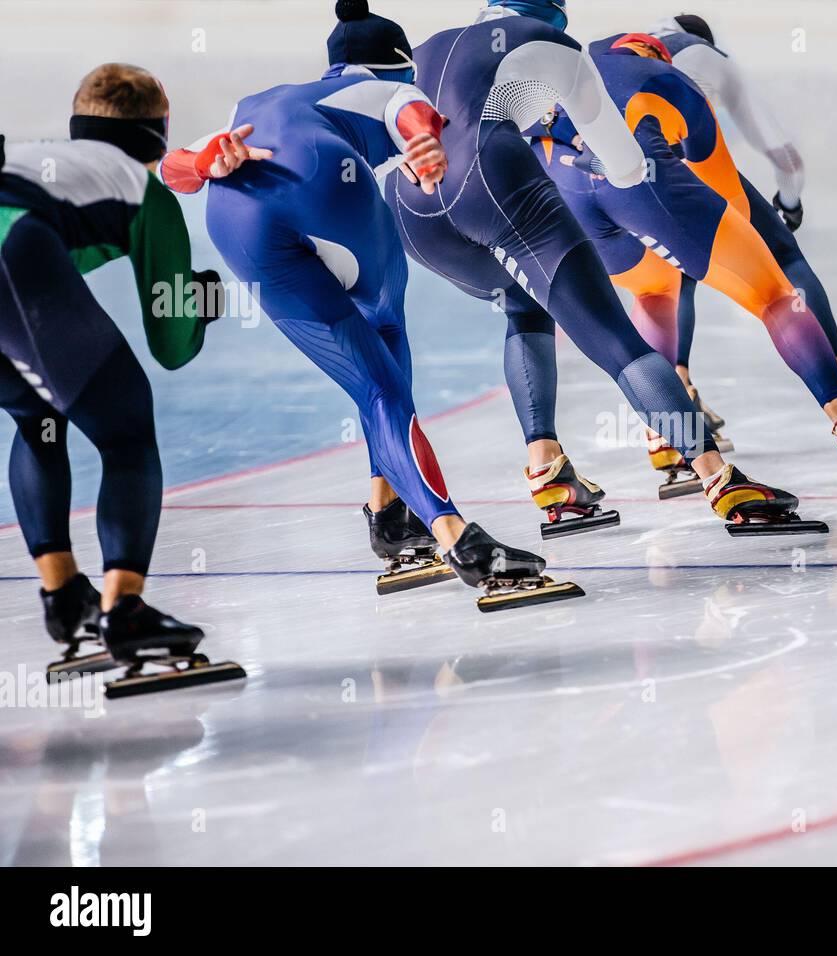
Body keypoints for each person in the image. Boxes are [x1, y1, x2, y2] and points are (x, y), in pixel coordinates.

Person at [164, 0, 587, 606]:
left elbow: (174, 169)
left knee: (368, 382)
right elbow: (412, 113)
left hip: (235, 215)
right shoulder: (383, 88)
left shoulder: (257, 102)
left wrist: (208, 161)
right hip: (325, 186)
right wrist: (426, 147)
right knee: (386, 350)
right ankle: (456, 537)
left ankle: (389, 517)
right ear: (398, 63)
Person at [385, 1, 827, 536]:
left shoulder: (428, 46)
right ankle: (720, 479)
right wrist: (609, 164)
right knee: (621, 343)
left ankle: (548, 469)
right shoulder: (557, 46)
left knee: (524, 306)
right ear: (555, 17)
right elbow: (624, 167)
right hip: (488, 180)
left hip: (410, 208)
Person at [527, 33, 837, 488]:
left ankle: (668, 437)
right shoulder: (672, 79)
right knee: (773, 293)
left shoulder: (574, 68)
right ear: (654, 51)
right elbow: (728, 199)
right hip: (639, 179)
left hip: (563, 190)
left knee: (654, 293)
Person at [0, 62, 245, 694]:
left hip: (18, 248)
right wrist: (200, 306)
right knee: (127, 431)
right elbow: (171, 346)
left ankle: (63, 596)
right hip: (17, 253)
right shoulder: (145, 193)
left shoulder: (48, 164)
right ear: (160, 133)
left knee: (39, 418)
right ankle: (125, 612)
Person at [649, 13, 837, 432]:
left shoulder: (619, 51)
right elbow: (787, 159)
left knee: (669, 279)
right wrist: (789, 204)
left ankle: (673, 410)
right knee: (783, 256)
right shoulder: (711, 57)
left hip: (610, 180)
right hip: (684, 170)